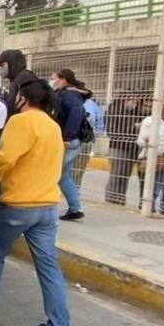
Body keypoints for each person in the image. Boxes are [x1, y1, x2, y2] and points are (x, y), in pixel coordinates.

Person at [0, 79, 72, 326]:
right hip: (48, 208)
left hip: (16, 206)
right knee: (49, 267)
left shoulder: (20, 122)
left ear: (23, 99)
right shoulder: (53, 126)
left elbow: (3, 160)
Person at [52, 69, 90, 221]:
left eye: (54, 78)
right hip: (72, 140)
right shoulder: (69, 94)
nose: (53, 81)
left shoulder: (69, 95)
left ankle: (45, 209)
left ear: (63, 80)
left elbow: (76, 113)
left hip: (69, 140)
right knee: (63, 176)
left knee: (52, 173)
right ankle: (75, 208)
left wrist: (67, 136)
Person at [105, 92, 145, 206]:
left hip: (132, 149)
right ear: (124, 99)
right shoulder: (113, 111)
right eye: (132, 100)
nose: (134, 103)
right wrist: (134, 127)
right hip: (118, 147)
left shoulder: (137, 113)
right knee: (116, 176)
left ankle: (120, 200)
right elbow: (112, 132)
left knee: (124, 178)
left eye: (136, 101)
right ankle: (110, 200)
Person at [71, 92, 105, 188]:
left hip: (77, 140)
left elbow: (100, 123)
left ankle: (72, 189)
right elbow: (100, 123)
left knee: (75, 168)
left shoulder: (70, 101)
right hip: (82, 140)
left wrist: (94, 136)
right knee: (76, 168)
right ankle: (73, 189)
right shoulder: (93, 105)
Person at [0, 49, 37, 116]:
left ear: (11, 64)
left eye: (2, 66)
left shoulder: (25, 78)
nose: (0, 70)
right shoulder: (15, 80)